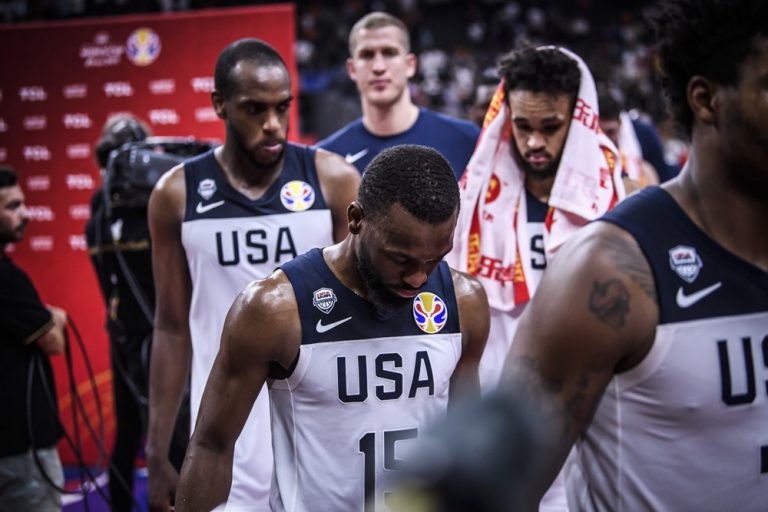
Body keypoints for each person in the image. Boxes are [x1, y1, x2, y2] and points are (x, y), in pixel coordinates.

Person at [500, 0, 768, 508]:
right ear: (706, 99)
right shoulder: (605, 271)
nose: (535, 141)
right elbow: (490, 486)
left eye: (550, 127)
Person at [174, 144, 489, 511]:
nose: (418, 277)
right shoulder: (275, 309)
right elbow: (212, 445)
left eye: (436, 259)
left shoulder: (464, 303)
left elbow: (470, 448)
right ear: (356, 218)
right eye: (400, 258)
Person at [146, 38, 360, 512]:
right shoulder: (175, 195)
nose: (273, 124)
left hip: (316, 428)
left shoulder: (334, 181)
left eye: (282, 108)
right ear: (219, 105)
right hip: (224, 432)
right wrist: (157, 448)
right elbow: (170, 326)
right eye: (254, 109)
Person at [86, 114, 190, 512]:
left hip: (125, 335)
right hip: (160, 336)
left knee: (131, 433)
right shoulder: (152, 213)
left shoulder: (96, 217)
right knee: (171, 435)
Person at [316, 12, 480, 179]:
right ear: (351, 69)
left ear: (410, 65)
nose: (378, 67)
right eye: (367, 55)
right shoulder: (325, 158)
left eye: (389, 53)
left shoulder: (467, 140)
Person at [0, 166, 67, 511]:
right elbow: (53, 340)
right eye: (12, 206)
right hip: (20, 452)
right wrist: (54, 317)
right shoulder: (8, 279)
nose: (25, 213)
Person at [596, 88, 659, 190]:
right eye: (600, 132)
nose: (604, 139)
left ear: (620, 124)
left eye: (610, 132)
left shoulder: (643, 171)